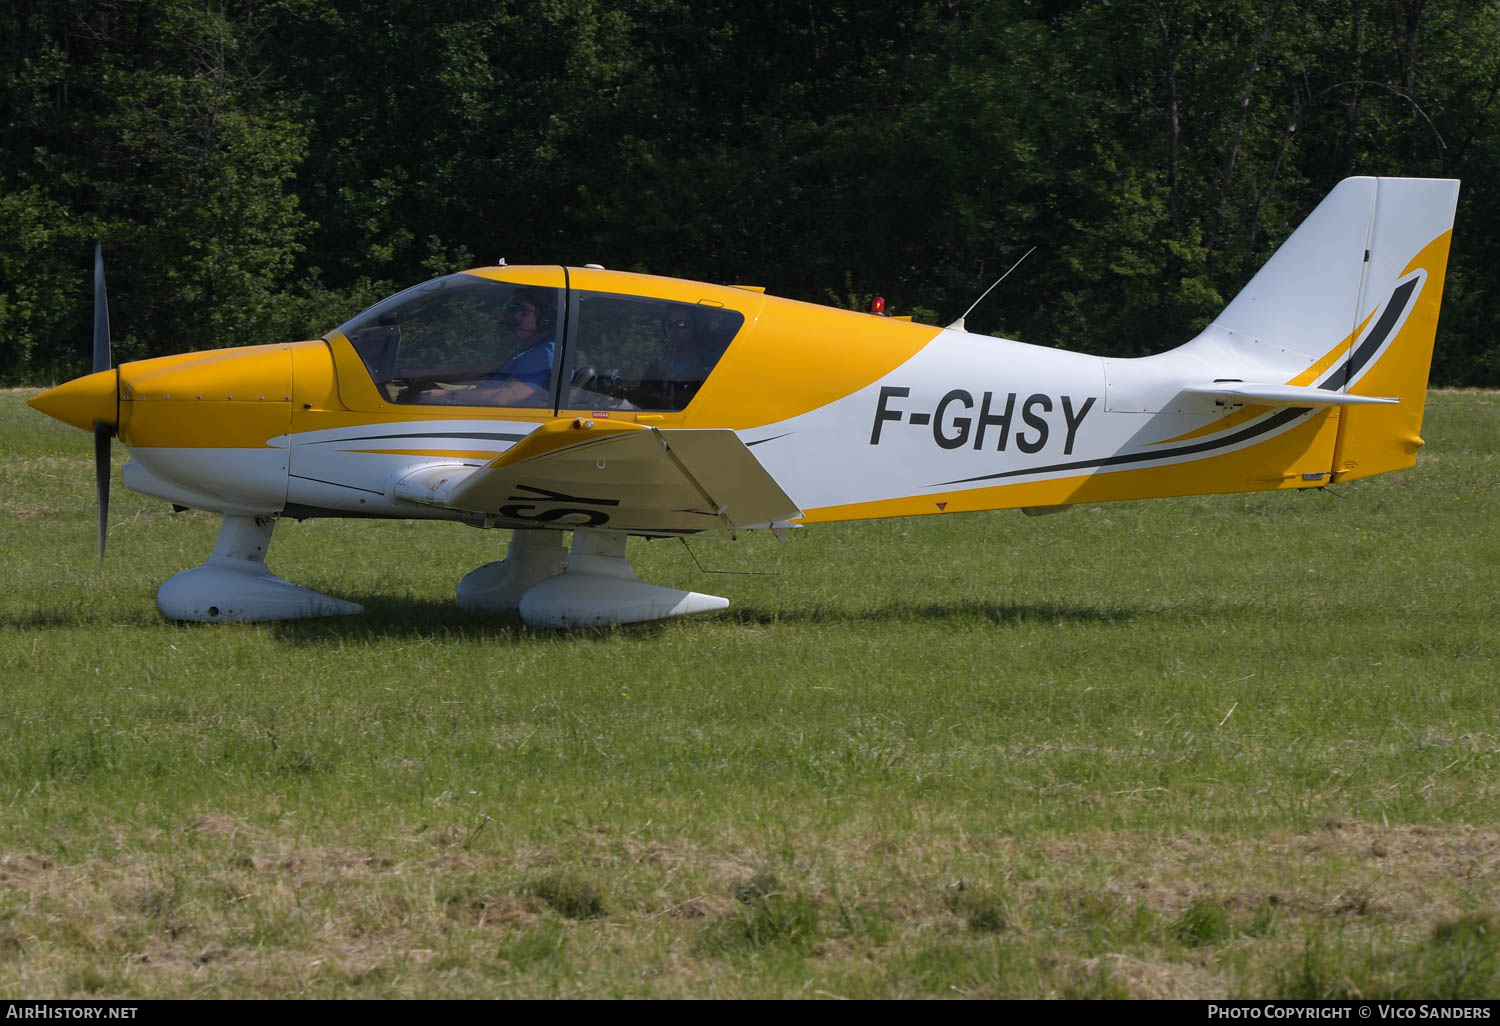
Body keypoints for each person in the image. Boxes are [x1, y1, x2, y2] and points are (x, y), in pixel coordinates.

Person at [419, 286, 557, 406]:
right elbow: (481, 371)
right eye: (510, 308)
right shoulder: (528, 350)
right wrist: (427, 375)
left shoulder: (546, 353)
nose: (507, 314)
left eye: (520, 309)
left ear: (545, 318)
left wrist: (444, 395)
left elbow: (501, 398)